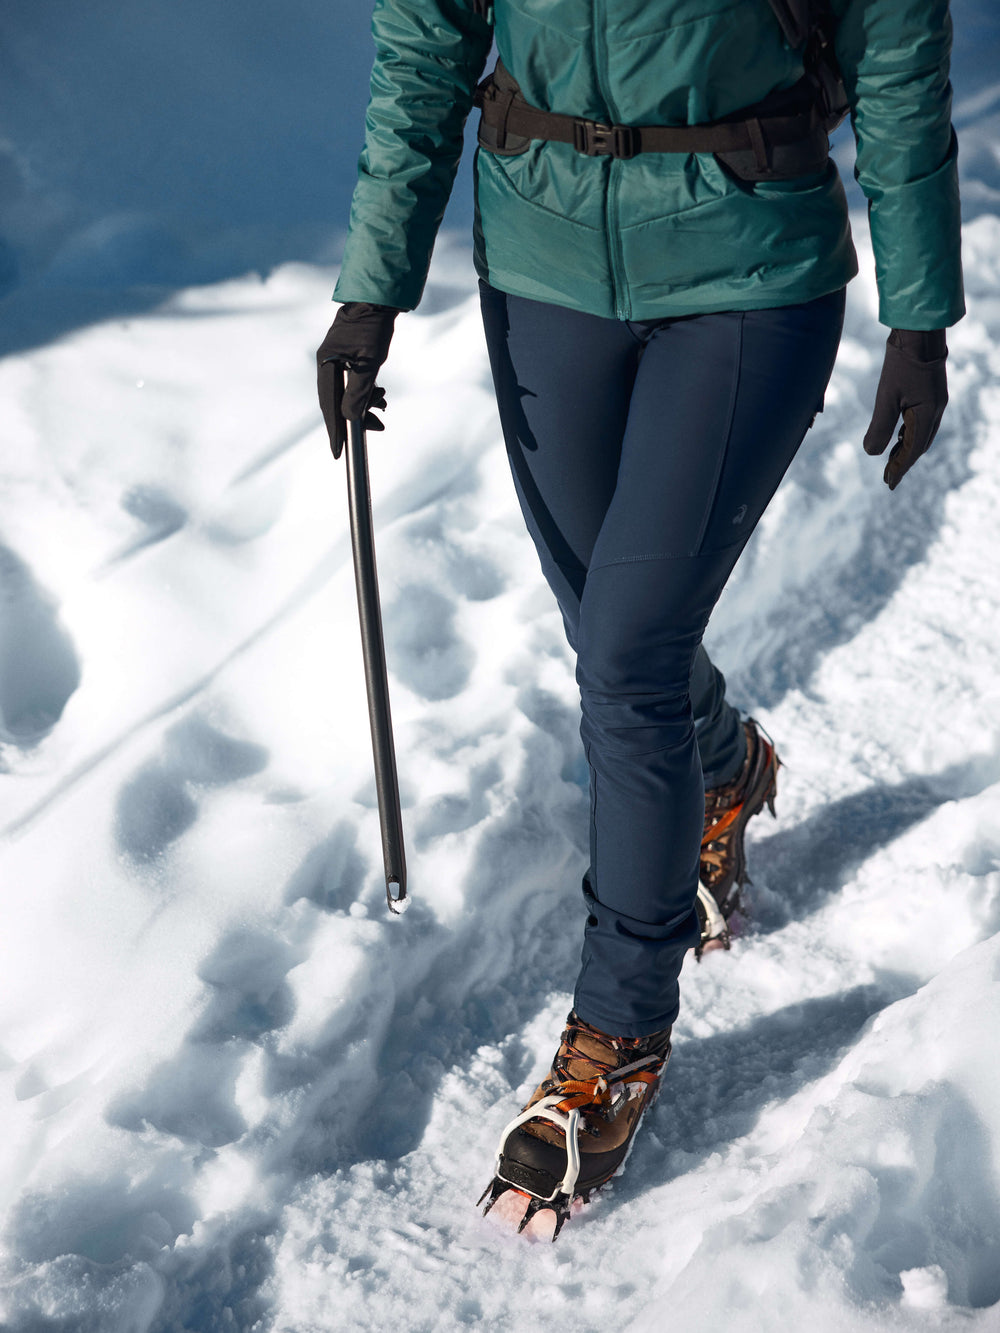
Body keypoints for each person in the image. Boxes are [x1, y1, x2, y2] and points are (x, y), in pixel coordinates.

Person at [317, 0, 963, 1236]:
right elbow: (424, 50)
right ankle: (721, 772)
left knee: (625, 657)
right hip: (541, 266)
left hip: (746, 261)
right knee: (613, 634)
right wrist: (371, 292)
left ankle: (611, 1039)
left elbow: (892, 50)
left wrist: (918, 312)